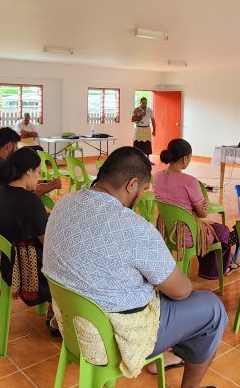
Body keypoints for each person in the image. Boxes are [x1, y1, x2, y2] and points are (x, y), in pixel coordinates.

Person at [43, 147, 227, 388]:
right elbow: (180, 291)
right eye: (142, 190)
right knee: (212, 309)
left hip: (73, 326)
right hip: (114, 337)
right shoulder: (133, 227)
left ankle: (172, 354)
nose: (141, 196)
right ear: (132, 184)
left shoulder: (64, 203)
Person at [0, 148, 60, 335]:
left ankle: (53, 308)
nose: (39, 177)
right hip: (25, 273)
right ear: (28, 171)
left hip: (2, 263)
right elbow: (47, 245)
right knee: (69, 264)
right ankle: (58, 319)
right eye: (39, 172)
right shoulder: (29, 201)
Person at [153, 139, 234, 280]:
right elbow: (203, 214)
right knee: (224, 232)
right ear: (185, 158)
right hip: (187, 234)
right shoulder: (190, 181)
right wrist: (202, 205)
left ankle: (213, 267)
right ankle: (212, 272)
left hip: (166, 231)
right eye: (190, 157)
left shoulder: (157, 177)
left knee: (214, 230)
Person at [0, 127, 61, 197]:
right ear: (9, 146)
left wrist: (45, 182)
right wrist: (52, 185)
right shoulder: (4, 168)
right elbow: (25, 193)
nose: (16, 151)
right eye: (16, 148)